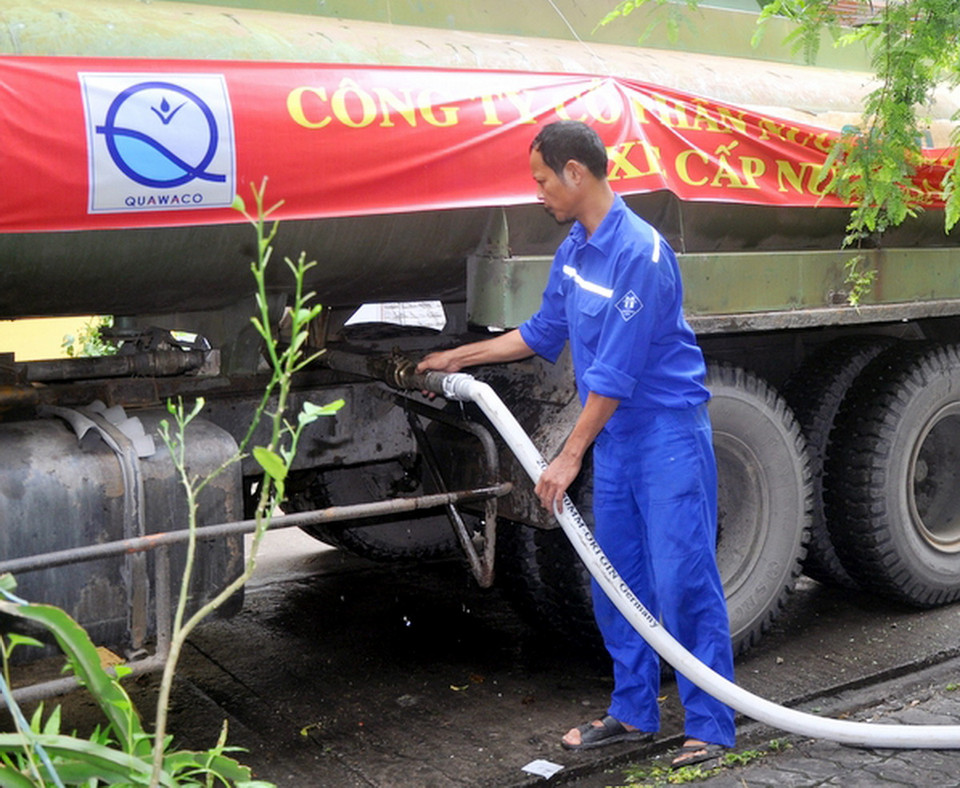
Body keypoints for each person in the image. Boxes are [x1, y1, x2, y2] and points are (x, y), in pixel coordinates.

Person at [416, 120, 735, 768]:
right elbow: (541, 331)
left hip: (666, 434)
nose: (537, 193)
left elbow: (614, 373)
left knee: (682, 579)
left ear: (576, 173)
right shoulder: (576, 249)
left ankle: (712, 725)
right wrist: (458, 357)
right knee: (616, 579)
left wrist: (567, 456)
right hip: (617, 438)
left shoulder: (640, 253)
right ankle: (633, 712)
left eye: (542, 180)